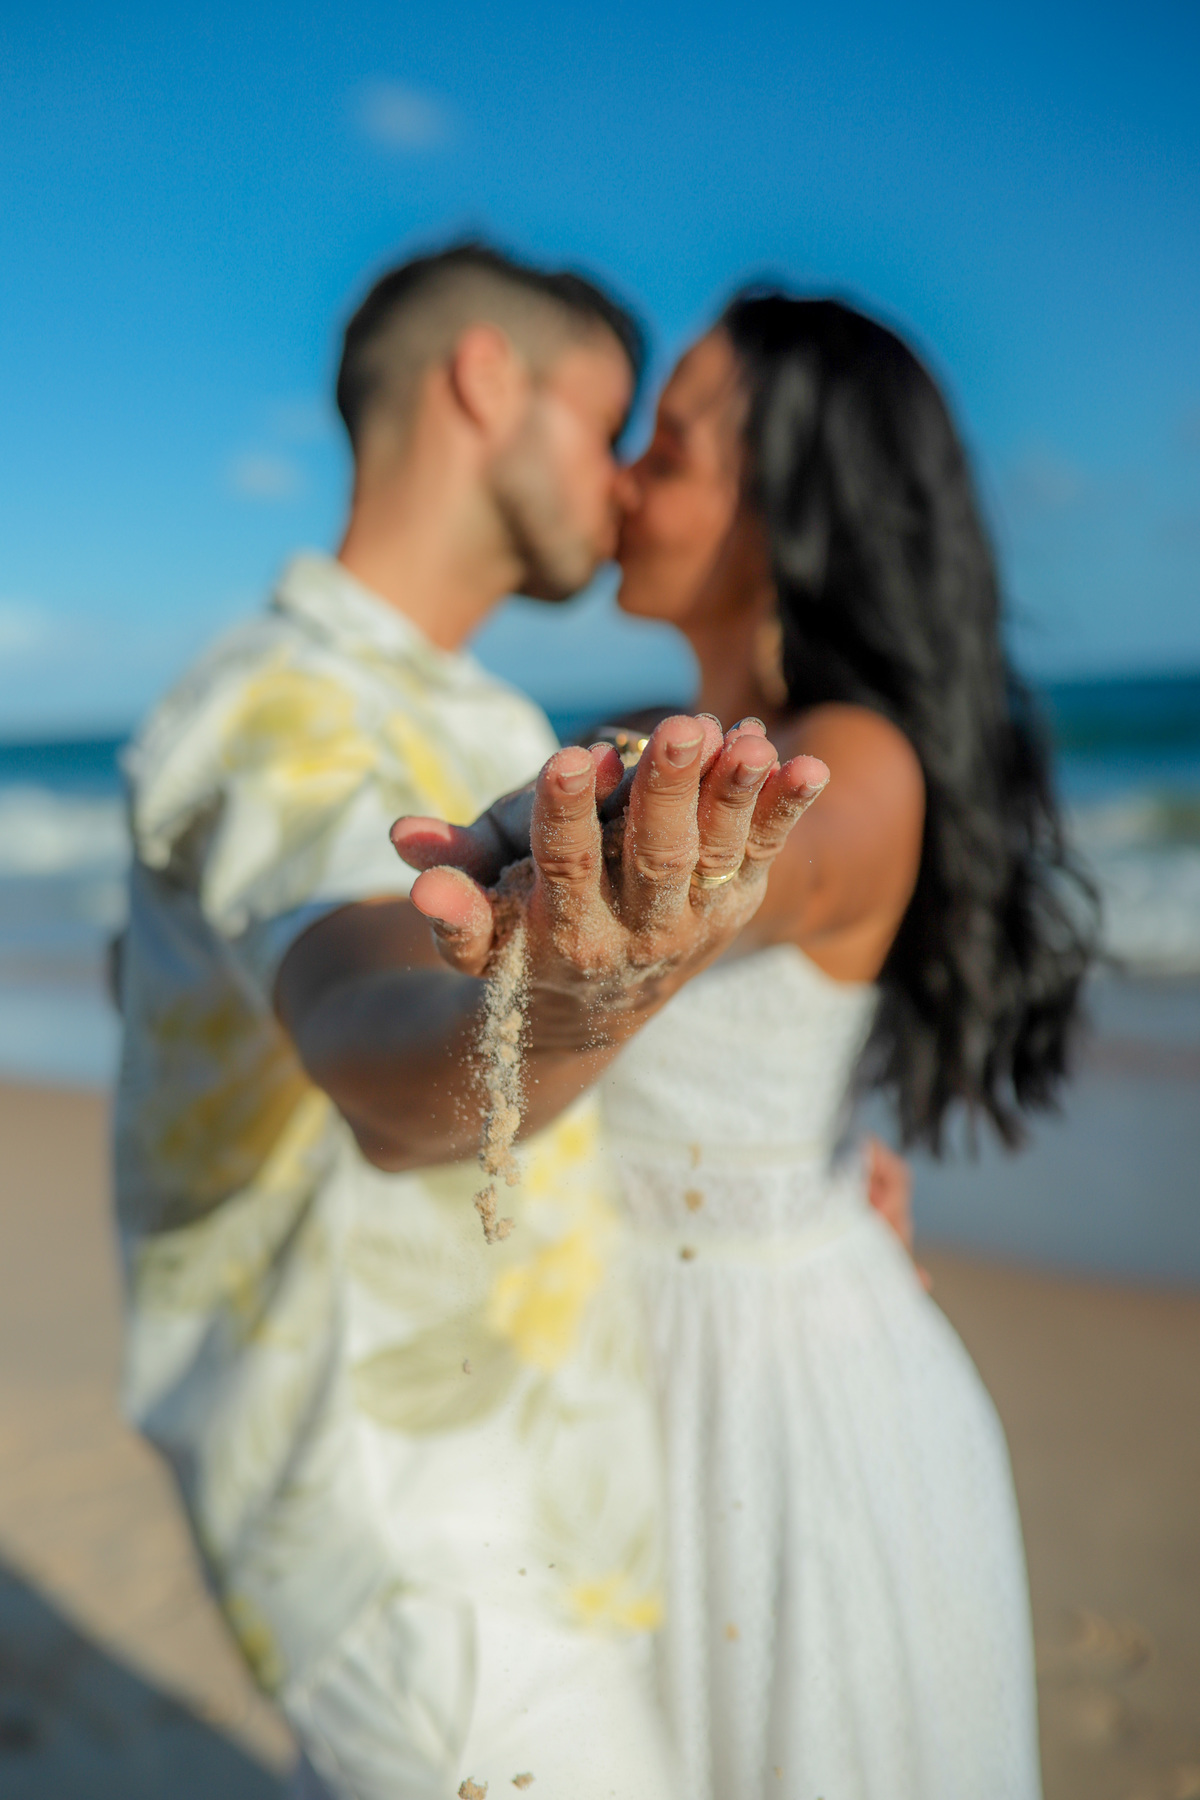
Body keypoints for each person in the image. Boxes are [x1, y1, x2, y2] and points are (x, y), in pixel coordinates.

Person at [113, 245, 822, 1800]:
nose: (631, 485)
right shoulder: (278, 704)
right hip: (423, 1555)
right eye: (608, 423)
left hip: (536, 1520)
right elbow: (363, 1024)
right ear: (486, 380)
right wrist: (564, 1002)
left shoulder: (484, 719)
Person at [420, 295, 1094, 1799]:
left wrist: (675, 877)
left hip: (780, 1403)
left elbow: (783, 857)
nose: (629, 480)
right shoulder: (644, 729)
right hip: (602, 1365)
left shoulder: (858, 762)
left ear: (793, 499)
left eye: (670, 441)